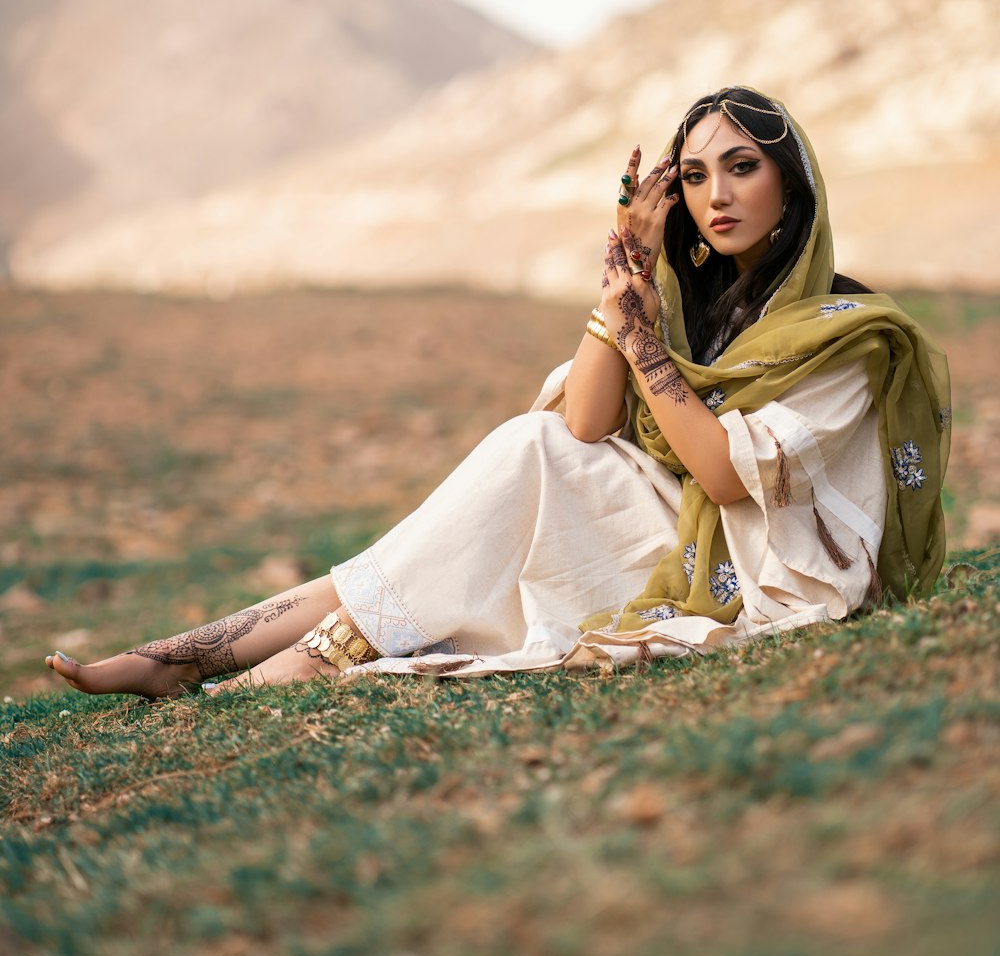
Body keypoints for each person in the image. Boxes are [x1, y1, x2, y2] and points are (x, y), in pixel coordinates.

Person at [44, 87, 951, 698]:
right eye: (697, 174)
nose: (717, 193)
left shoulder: (848, 334)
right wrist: (627, 284)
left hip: (762, 571)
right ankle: (203, 652)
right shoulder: (690, 307)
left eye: (743, 167)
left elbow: (722, 478)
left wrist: (645, 344)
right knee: (539, 444)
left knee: (524, 454)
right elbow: (590, 423)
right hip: (675, 527)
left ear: (792, 187)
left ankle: (236, 660)